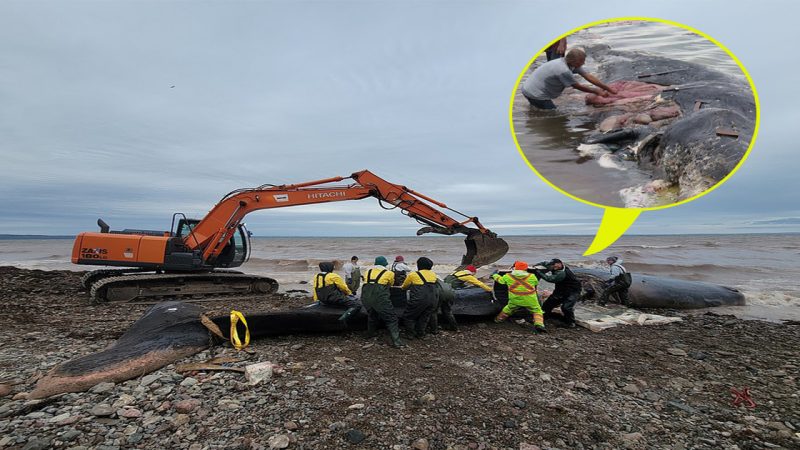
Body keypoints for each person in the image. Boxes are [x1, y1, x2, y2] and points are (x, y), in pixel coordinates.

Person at [521, 48, 617, 110]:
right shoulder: (563, 70)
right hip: (536, 94)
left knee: (536, 110)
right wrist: (596, 91)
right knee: (553, 114)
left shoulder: (570, 63)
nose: (583, 64)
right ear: (573, 61)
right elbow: (576, 86)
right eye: (581, 62)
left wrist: (607, 88)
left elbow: (588, 76)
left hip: (528, 89)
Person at [431, 265, 493, 333]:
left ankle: (435, 327)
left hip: (442, 289)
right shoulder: (468, 276)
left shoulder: (457, 273)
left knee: (436, 310)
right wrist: (490, 289)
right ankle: (454, 327)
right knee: (447, 310)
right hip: (450, 292)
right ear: (473, 272)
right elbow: (480, 284)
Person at [361, 256, 404, 348]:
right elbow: (391, 284)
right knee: (391, 318)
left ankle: (370, 334)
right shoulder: (389, 273)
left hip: (365, 297)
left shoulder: (368, 271)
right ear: (385, 263)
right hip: (380, 298)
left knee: (372, 315)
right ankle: (396, 341)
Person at [491, 261, 546, 333]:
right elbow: (536, 283)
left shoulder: (508, 276)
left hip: (515, 299)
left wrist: (494, 275)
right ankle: (539, 325)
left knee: (508, 309)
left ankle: (498, 320)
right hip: (530, 300)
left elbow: (501, 281)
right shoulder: (531, 276)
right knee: (537, 311)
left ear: (515, 268)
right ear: (525, 269)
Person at [533, 258, 583, 328]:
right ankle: (543, 318)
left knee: (566, 307)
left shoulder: (562, 273)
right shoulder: (553, 266)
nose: (554, 267)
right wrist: (536, 266)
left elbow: (550, 279)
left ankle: (571, 323)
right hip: (560, 290)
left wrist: (539, 272)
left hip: (573, 291)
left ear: (561, 264)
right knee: (548, 304)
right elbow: (545, 263)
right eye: (553, 266)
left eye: (556, 266)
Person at [400, 257, 439, 339]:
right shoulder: (433, 274)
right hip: (433, 299)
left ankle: (410, 334)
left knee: (409, 316)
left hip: (418, 299)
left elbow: (404, 287)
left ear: (419, 265)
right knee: (424, 316)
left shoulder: (413, 274)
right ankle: (421, 334)